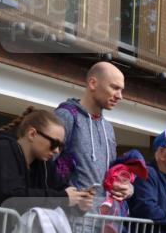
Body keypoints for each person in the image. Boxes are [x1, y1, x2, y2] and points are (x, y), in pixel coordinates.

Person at [0, 107, 94, 233]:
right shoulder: (1, 151)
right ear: (32, 134)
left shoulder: (44, 164)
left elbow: (61, 191)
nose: (57, 151)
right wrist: (63, 197)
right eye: (54, 143)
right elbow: (10, 197)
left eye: (61, 146)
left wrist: (78, 203)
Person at [54, 62, 126, 199]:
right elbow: (45, 165)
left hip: (102, 217)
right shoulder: (66, 116)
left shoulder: (108, 128)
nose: (120, 96)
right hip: (68, 217)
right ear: (93, 83)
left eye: (121, 90)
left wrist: (128, 188)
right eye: (114, 88)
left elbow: (111, 173)